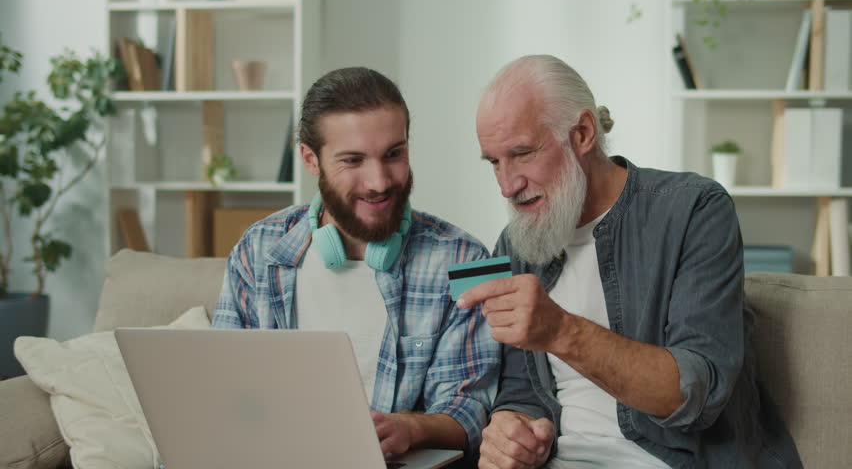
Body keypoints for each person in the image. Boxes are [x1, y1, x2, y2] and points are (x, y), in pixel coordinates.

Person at [460, 55, 801, 468]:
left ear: (583, 133)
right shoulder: (515, 244)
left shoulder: (695, 209)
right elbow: (520, 387)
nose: (506, 185)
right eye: (494, 162)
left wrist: (561, 330)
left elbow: (698, 392)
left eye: (522, 153)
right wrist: (511, 427)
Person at [212, 67, 500, 459]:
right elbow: (222, 390)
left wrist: (410, 428)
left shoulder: (469, 260)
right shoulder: (256, 249)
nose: (379, 182)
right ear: (310, 159)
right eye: (353, 160)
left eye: (394, 154)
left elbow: (474, 410)